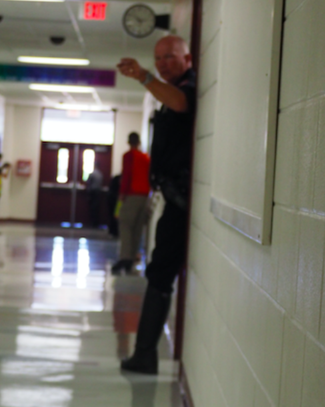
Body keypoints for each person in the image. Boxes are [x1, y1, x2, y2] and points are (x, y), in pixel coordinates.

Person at [116, 35, 196, 374]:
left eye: (169, 57)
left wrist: (145, 77)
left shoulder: (185, 88)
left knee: (160, 273)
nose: (163, 63)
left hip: (180, 201)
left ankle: (145, 354)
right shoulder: (166, 93)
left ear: (187, 59)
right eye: (158, 58)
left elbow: (181, 104)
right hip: (171, 196)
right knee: (158, 272)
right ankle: (143, 352)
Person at [112, 132, 151, 275]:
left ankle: (125, 258)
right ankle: (132, 256)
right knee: (137, 228)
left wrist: (121, 196)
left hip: (132, 194)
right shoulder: (146, 157)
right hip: (144, 196)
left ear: (129, 142)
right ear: (139, 142)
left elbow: (127, 175)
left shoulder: (129, 156)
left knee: (125, 225)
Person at [86, 163, 104, 228]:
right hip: (98, 192)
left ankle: (93, 222)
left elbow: (88, 183)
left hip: (93, 192)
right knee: (96, 207)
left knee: (93, 207)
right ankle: (96, 222)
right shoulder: (100, 174)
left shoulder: (92, 174)